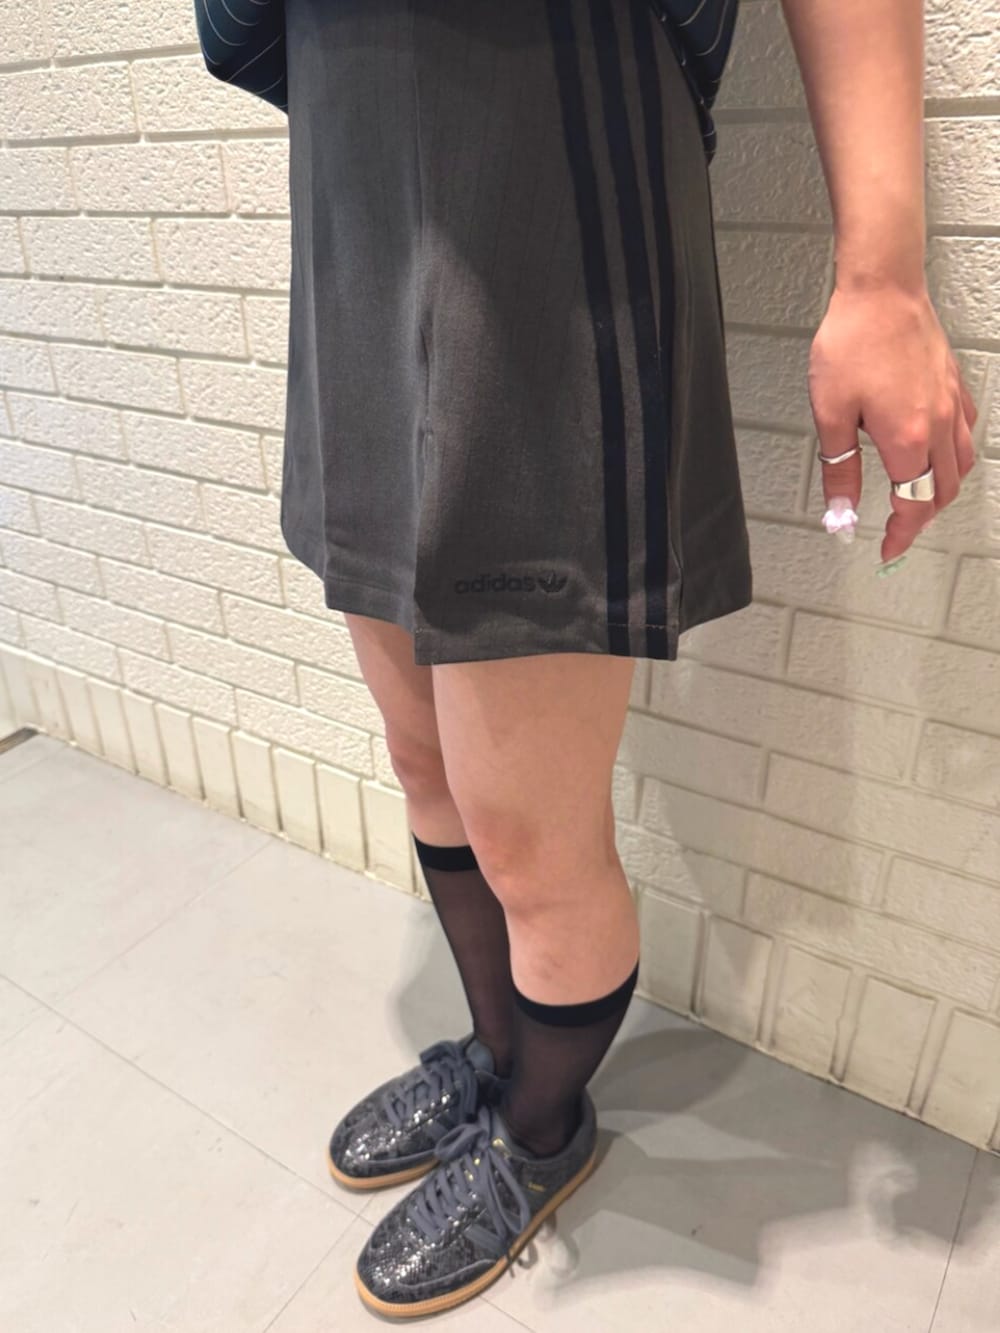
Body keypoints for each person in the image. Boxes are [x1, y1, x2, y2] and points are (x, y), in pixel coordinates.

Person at [194, 0, 978, 1319]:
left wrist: (885, 277)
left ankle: (541, 1129)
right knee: (423, 758)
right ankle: (498, 1054)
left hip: (549, 136)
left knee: (529, 836)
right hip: (352, 155)